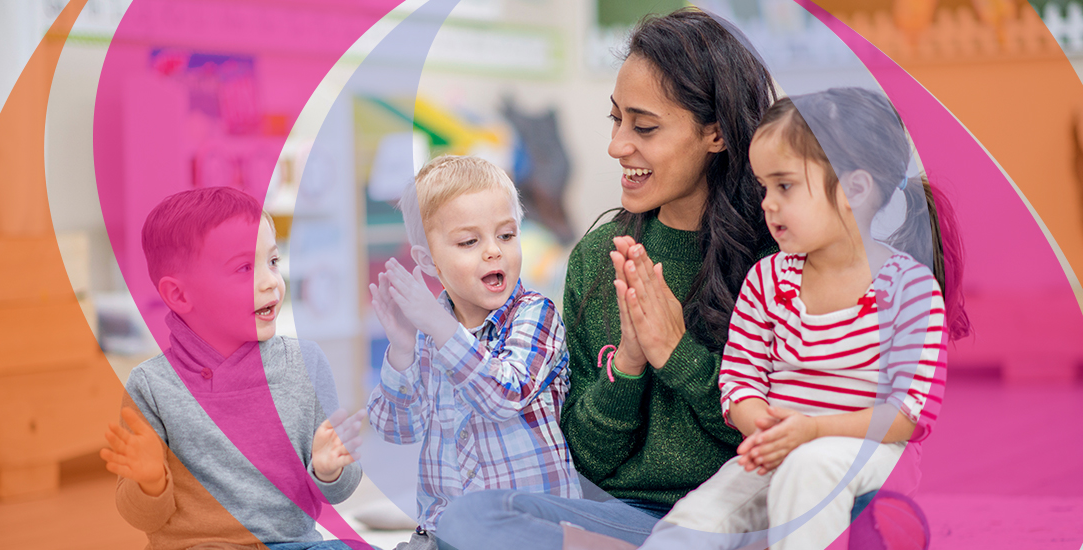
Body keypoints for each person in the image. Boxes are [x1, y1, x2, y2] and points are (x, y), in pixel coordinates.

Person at [437, 8, 778, 549]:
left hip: (741, 511)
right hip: (626, 519)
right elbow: (586, 459)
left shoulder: (774, 258)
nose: (618, 145)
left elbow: (782, 438)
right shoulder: (599, 258)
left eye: (644, 127)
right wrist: (630, 361)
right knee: (468, 518)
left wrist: (677, 353)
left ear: (715, 132)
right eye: (616, 120)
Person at [640, 87, 969, 550]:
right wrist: (766, 428)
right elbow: (739, 381)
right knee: (700, 517)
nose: (767, 203)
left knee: (808, 468)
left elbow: (911, 414)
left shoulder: (909, 289)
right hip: (781, 442)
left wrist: (812, 430)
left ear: (855, 189)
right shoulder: (768, 280)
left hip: (874, 452)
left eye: (785, 185)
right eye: (764, 187)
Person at [100, 187, 365, 550]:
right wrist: (150, 482)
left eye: (273, 261)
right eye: (243, 268)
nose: (270, 281)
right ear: (179, 295)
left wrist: (329, 469)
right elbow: (144, 518)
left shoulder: (306, 364)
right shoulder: (152, 386)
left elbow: (339, 491)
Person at [366, 155, 581, 550]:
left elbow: (505, 394)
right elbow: (398, 428)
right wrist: (401, 350)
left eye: (506, 235)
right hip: (444, 533)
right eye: (469, 242)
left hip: (531, 530)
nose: (493, 252)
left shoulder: (535, 315)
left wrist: (442, 330)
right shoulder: (431, 336)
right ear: (429, 262)